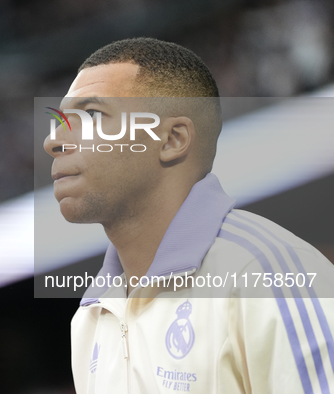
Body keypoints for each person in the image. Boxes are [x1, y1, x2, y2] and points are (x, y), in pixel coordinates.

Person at [43, 38, 334, 393]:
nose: (54, 141)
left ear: (172, 140)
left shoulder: (265, 272)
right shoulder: (90, 318)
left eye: (92, 115)